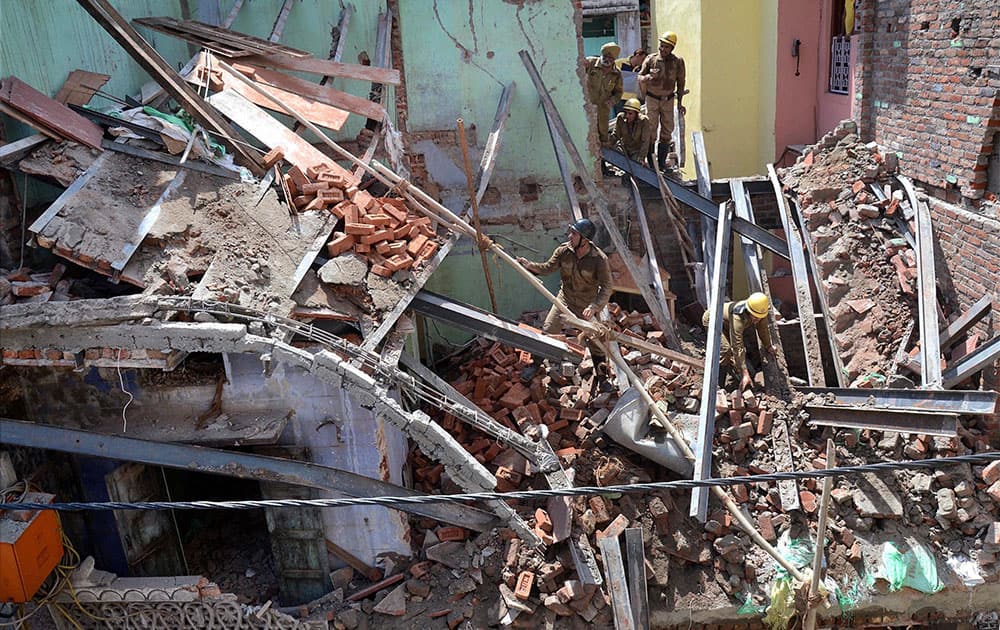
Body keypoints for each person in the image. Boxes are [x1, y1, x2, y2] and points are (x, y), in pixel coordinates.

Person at [517, 218, 613, 381]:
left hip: (586, 304)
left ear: (584, 240)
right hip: (565, 299)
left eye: (574, 234)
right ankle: (534, 365)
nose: (569, 236)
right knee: (548, 329)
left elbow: (607, 287)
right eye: (571, 233)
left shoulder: (599, 259)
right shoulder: (563, 251)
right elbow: (548, 268)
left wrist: (595, 306)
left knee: (596, 340)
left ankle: (602, 377)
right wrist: (529, 265)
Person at [702, 292, 779, 391]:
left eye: (759, 317)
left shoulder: (760, 312)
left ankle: (734, 367)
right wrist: (745, 374)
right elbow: (737, 346)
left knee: (736, 353)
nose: (757, 320)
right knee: (726, 350)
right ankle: (717, 386)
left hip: (726, 322)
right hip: (712, 320)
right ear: (749, 310)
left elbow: (763, 329)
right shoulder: (737, 317)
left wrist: (768, 346)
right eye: (754, 317)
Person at [637, 31, 686, 171]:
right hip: (652, 98)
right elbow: (639, 77)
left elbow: (681, 83)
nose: (662, 49)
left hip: (668, 100)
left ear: (672, 48)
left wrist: (680, 102)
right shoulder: (651, 59)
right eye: (661, 46)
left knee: (667, 131)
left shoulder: (678, 62)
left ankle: (662, 163)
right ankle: (652, 163)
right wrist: (647, 77)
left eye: (666, 47)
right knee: (651, 129)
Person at [584, 42, 624, 147]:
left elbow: (618, 92)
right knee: (586, 134)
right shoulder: (591, 63)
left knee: (603, 136)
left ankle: (601, 162)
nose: (607, 60)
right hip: (587, 107)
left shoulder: (616, 74)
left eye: (610, 59)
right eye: (605, 57)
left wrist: (611, 102)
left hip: (603, 110)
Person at [610, 98, 652, 166]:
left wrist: (642, 157)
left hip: (636, 151)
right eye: (626, 113)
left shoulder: (644, 121)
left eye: (630, 114)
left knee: (636, 164)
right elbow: (616, 135)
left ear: (636, 114)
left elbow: (645, 141)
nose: (627, 116)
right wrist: (608, 144)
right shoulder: (621, 118)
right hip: (624, 148)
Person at [615, 48, 648, 113]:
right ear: (637, 55)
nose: (643, 61)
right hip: (620, 97)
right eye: (643, 59)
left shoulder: (641, 68)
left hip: (634, 98)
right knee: (620, 118)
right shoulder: (620, 63)